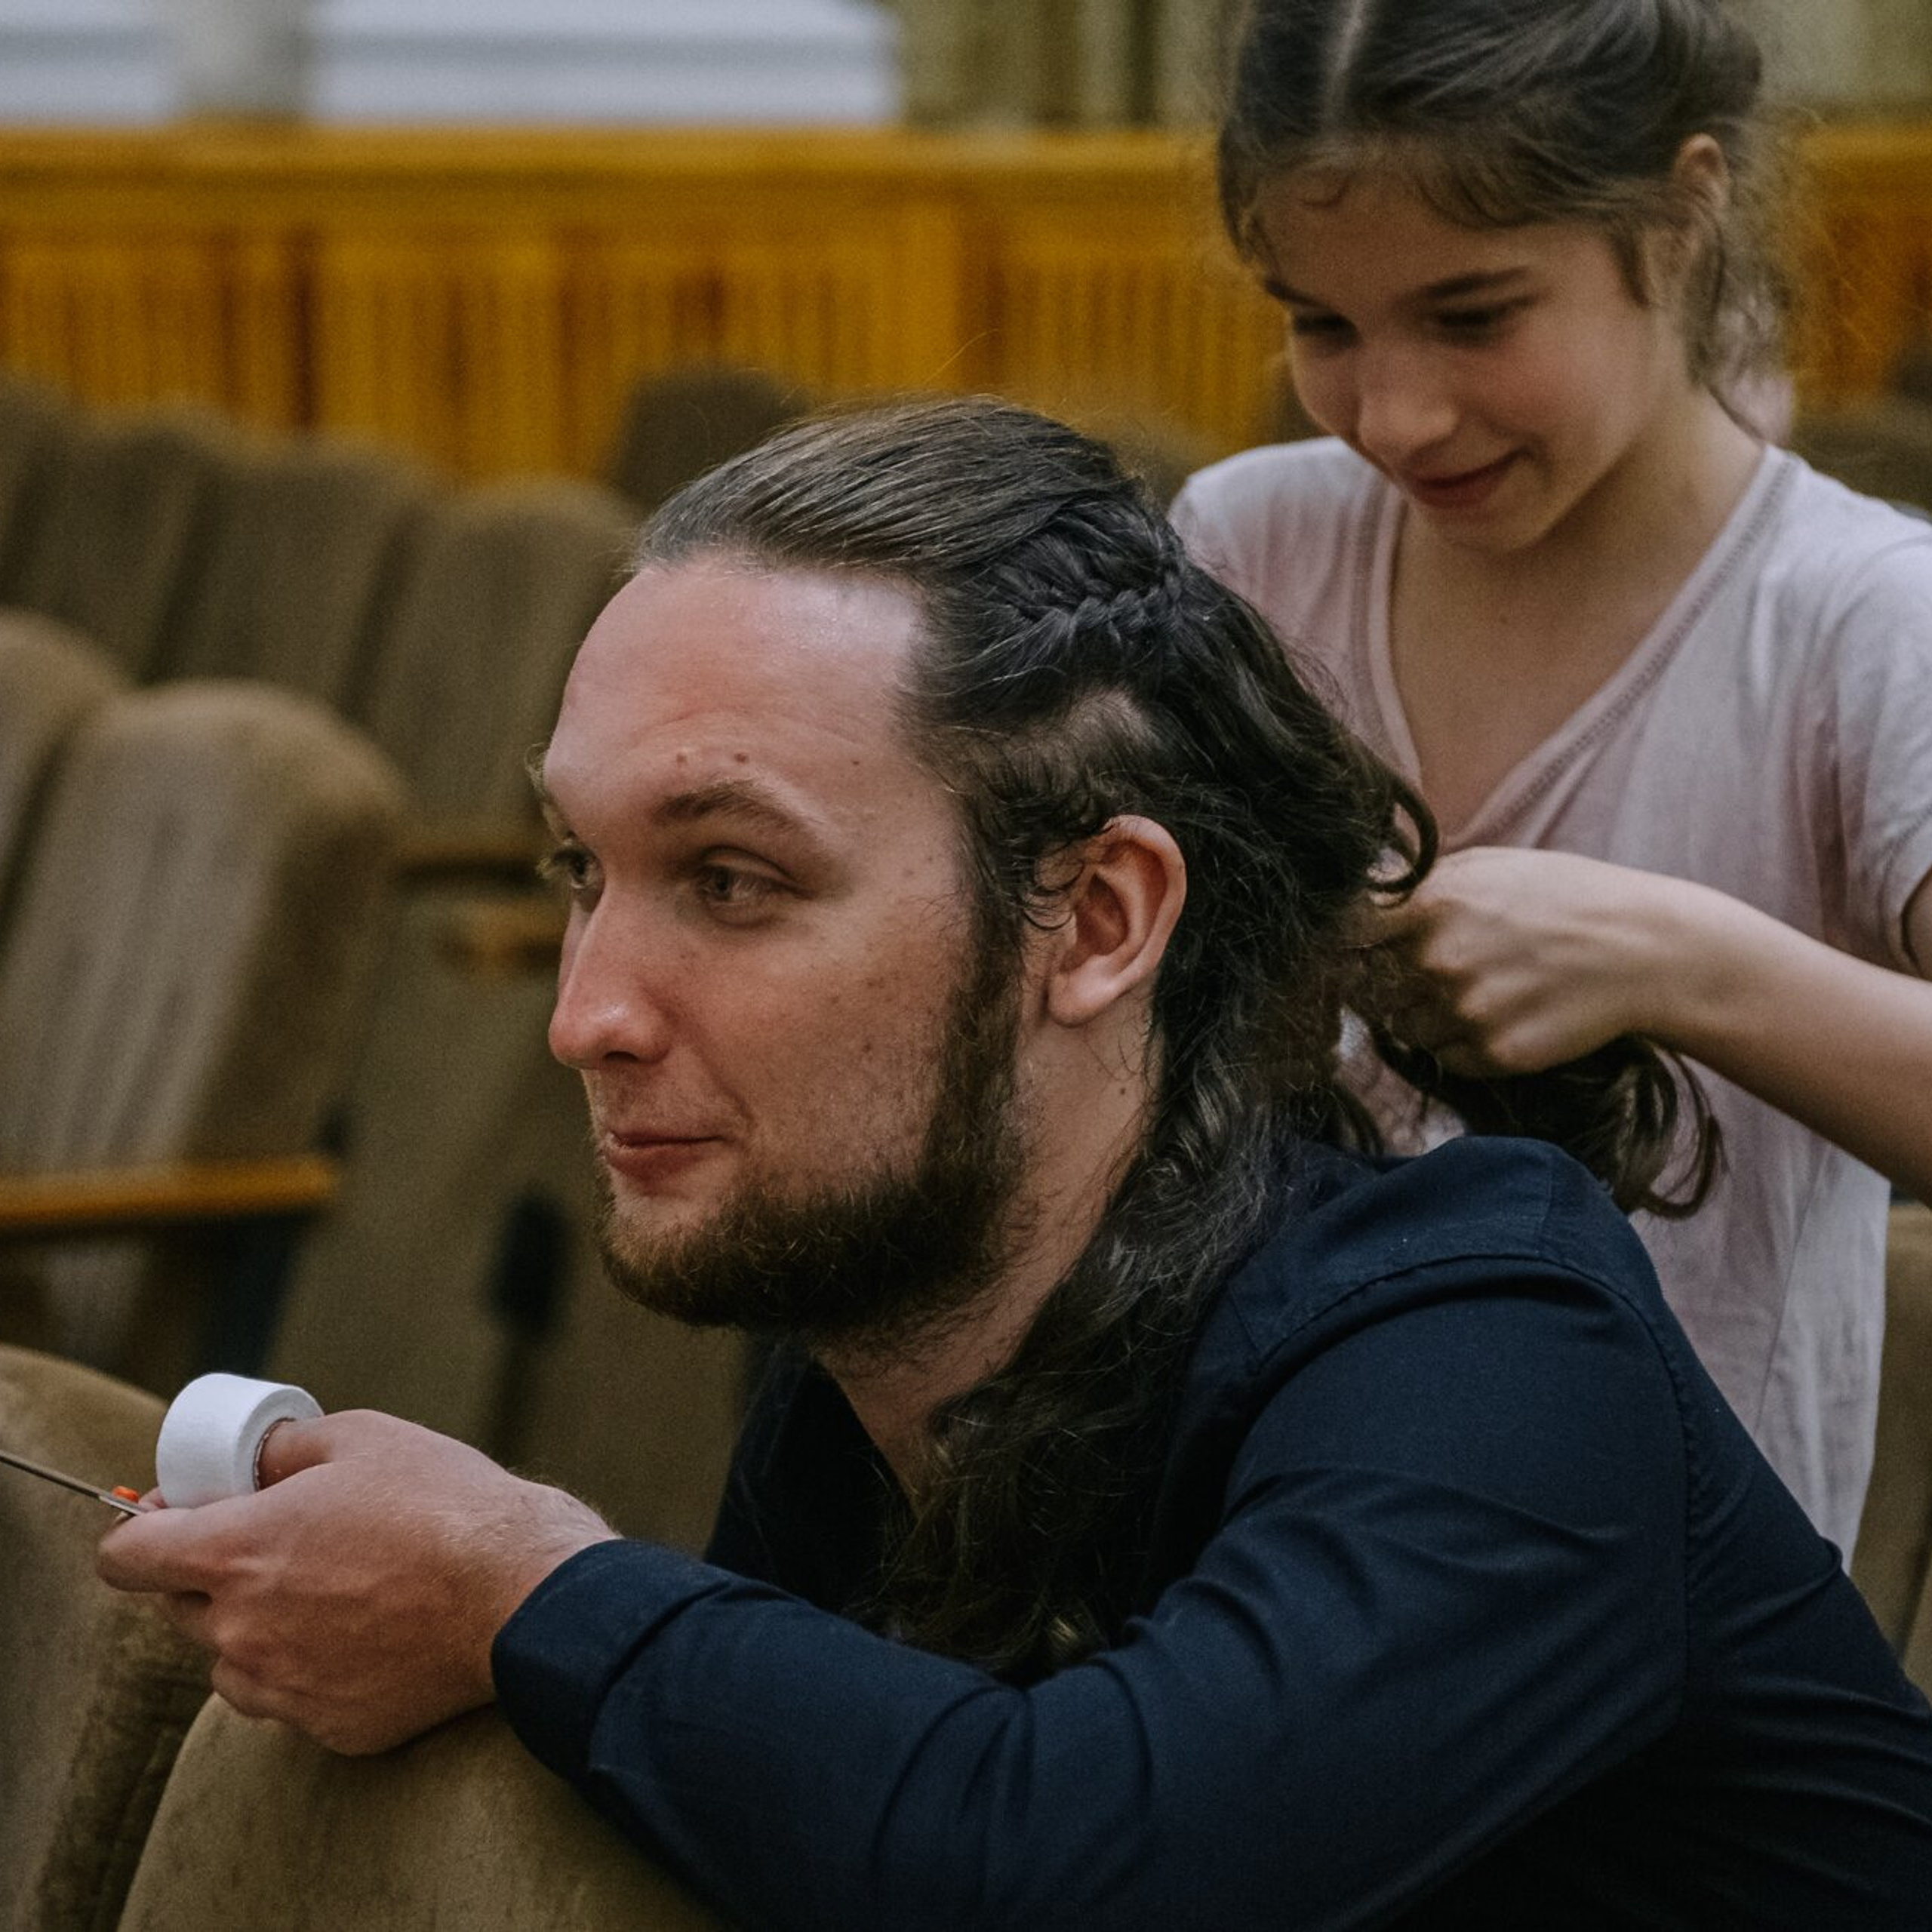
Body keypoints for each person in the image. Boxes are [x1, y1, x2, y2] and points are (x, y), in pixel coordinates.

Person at [100, 399, 1932, 1927]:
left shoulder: (1487, 1342)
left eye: (731, 879)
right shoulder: (874, 1351)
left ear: (1097, 919)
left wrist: (518, 1583)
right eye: (584, 870)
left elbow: (1084, 1872)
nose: (586, 1013)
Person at [1171, 0, 1932, 1560]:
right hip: (1246, 1540)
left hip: (1650, 1601)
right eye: (1323, 326)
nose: (1394, 416)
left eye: (1471, 317)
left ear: (1680, 219)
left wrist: (1676, 959)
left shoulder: (1862, 618)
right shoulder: (1249, 544)